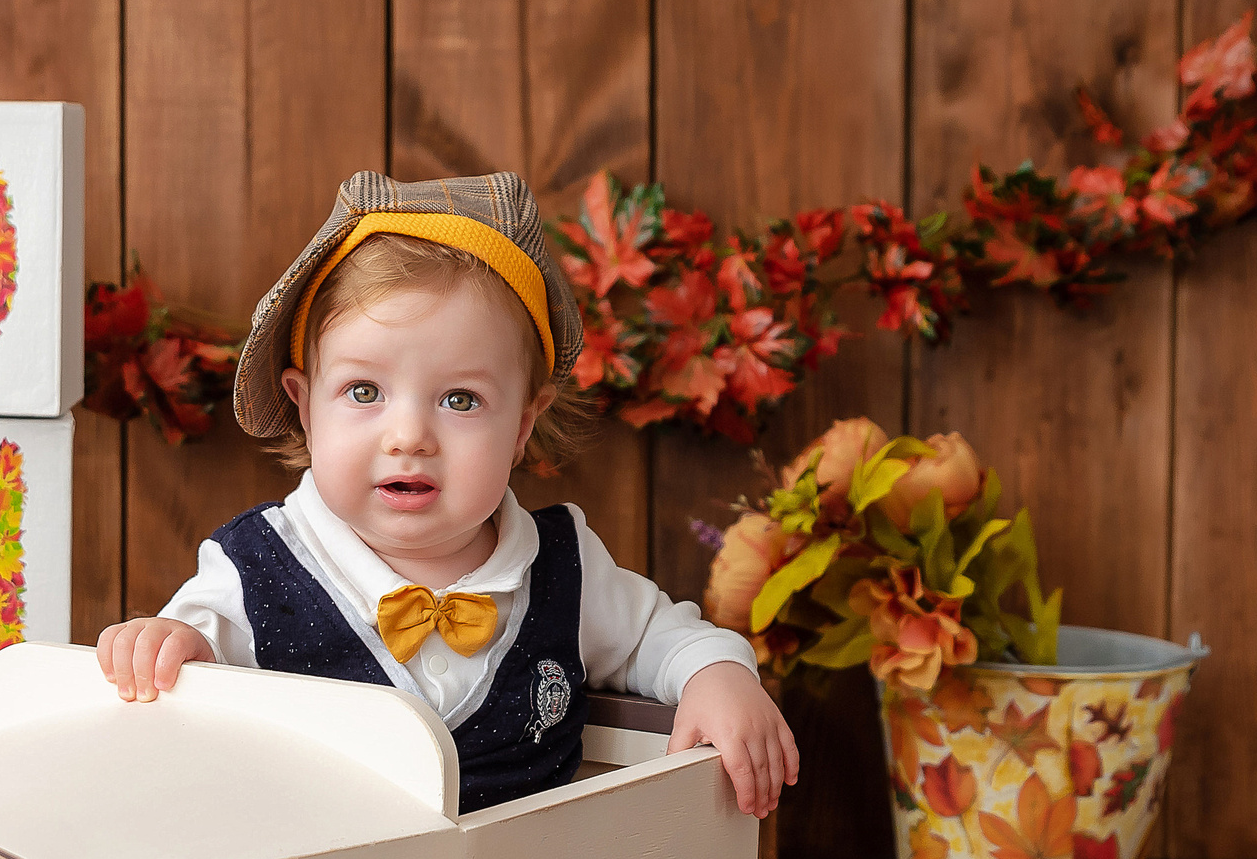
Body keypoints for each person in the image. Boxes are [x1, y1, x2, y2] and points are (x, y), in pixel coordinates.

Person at [95, 170, 799, 817]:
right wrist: (170, 643)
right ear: (304, 406)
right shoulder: (253, 571)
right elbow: (185, 690)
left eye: (460, 399)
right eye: (363, 391)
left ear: (522, 425)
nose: (409, 436)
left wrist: (716, 673)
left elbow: (659, 635)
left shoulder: (563, 567)